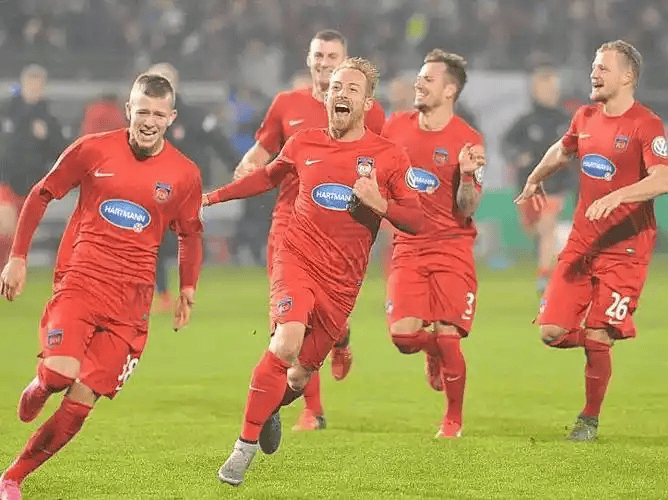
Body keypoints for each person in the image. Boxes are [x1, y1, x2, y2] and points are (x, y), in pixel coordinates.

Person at [204, 57, 422, 486]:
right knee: (285, 341)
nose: (341, 93)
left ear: (368, 103)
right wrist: (212, 198)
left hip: (341, 283)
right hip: (297, 259)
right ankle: (243, 449)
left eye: (352, 89)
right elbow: (266, 178)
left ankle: (271, 406)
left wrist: (379, 203)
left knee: (299, 376)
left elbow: (417, 220)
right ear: (326, 96)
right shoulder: (303, 143)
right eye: (336, 87)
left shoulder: (390, 157)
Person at [0, 74, 203, 500]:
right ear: (129, 110)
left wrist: (187, 287)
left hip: (131, 305)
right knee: (60, 374)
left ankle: (13, 477)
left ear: (171, 117)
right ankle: (43, 382)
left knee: (79, 405)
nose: (148, 121)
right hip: (81, 282)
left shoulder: (184, 173)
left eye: (158, 114)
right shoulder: (93, 149)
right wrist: (18, 257)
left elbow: (190, 234)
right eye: (142, 111)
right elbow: (41, 193)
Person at [234, 29, 386, 432]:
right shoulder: (286, 104)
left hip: (340, 229)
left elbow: (384, 162)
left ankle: (341, 337)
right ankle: (313, 411)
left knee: (319, 321)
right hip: (289, 224)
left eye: (333, 56)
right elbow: (263, 148)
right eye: (318, 55)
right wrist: (249, 163)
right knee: (289, 323)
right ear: (308, 59)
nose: (324, 62)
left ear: (345, 61)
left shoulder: (367, 111)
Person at [516, 40, 668, 441]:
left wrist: (619, 196)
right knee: (551, 332)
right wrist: (535, 177)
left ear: (627, 76)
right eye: (594, 67)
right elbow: (563, 149)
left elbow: (663, 177)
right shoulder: (584, 116)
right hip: (582, 244)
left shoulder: (646, 124)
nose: (593, 74)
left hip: (626, 249)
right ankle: (604, 337)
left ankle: (589, 418)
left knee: (598, 334)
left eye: (603, 68)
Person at [382, 49, 485, 438]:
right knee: (403, 337)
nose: (418, 83)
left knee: (448, 335)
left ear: (449, 90)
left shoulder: (468, 140)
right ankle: (432, 353)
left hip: (452, 246)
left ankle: (452, 420)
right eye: (419, 77)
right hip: (408, 246)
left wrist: (468, 176)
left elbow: (468, 206)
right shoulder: (394, 127)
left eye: (428, 79)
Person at [147, 62, 239, 312]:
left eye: (166, 80)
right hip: (152, 189)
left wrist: (238, 166)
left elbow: (219, 142)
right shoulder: (143, 117)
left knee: (182, 240)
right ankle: (163, 294)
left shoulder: (194, 116)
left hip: (185, 190)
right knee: (154, 241)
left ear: (176, 84)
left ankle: (183, 290)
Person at [503, 63, 576, 294]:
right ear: (535, 91)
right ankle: (560, 240)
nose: (549, 92)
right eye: (544, 87)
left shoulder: (566, 120)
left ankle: (544, 275)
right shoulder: (526, 121)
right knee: (533, 229)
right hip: (528, 186)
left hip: (555, 184)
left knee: (546, 226)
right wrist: (517, 156)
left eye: (552, 87)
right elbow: (507, 144)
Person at [0, 64, 66, 265]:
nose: (34, 90)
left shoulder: (48, 119)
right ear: (23, 84)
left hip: (32, 185)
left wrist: (46, 137)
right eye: (31, 85)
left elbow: (61, 152)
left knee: (19, 239)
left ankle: (8, 273)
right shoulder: (6, 111)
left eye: (38, 86)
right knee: (6, 227)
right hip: (5, 179)